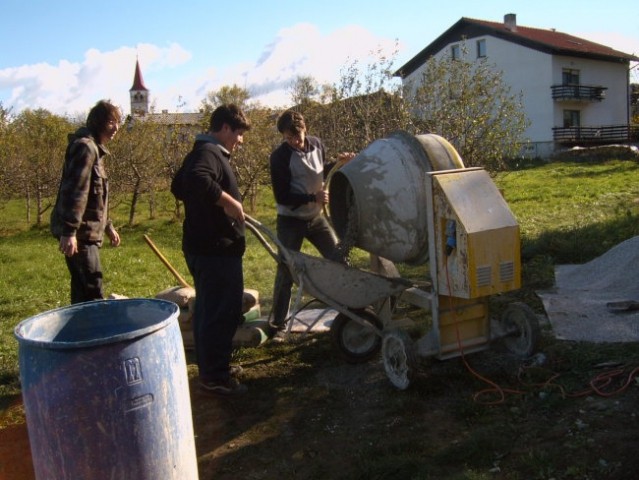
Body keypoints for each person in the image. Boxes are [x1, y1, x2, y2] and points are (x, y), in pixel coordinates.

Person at [171, 104, 251, 396]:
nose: (240, 141)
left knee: (208, 311)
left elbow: (177, 186)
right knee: (221, 312)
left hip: (204, 247)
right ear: (225, 128)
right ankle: (215, 378)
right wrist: (228, 203)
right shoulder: (208, 153)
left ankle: (213, 367)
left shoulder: (200, 151)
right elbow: (193, 180)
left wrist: (207, 206)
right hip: (215, 250)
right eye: (238, 133)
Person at [269, 109, 355, 334]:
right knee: (287, 269)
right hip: (290, 220)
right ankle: (278, 323)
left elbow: (321, 172)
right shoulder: (279, 157)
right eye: (289, 139)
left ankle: (353, 308)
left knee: (339, 257)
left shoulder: (316, 144)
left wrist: (339, 163)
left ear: (305, 129)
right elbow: (282, 196)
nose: (295, 142)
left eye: (298, 137)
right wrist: (311, 197)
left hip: (315, 218)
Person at [50, 99, 122, 304]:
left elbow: (95, 197)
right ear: (97, 122)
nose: (115, 128)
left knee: (83, 293)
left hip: (87, 232)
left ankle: (79, 334)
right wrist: (70, 232)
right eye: (110, 122)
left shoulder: (95, 150)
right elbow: (75, 191)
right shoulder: (85, 148)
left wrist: (108, 226)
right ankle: (95, 334)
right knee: (92, 290)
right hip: (80, 234)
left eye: (118, 122)